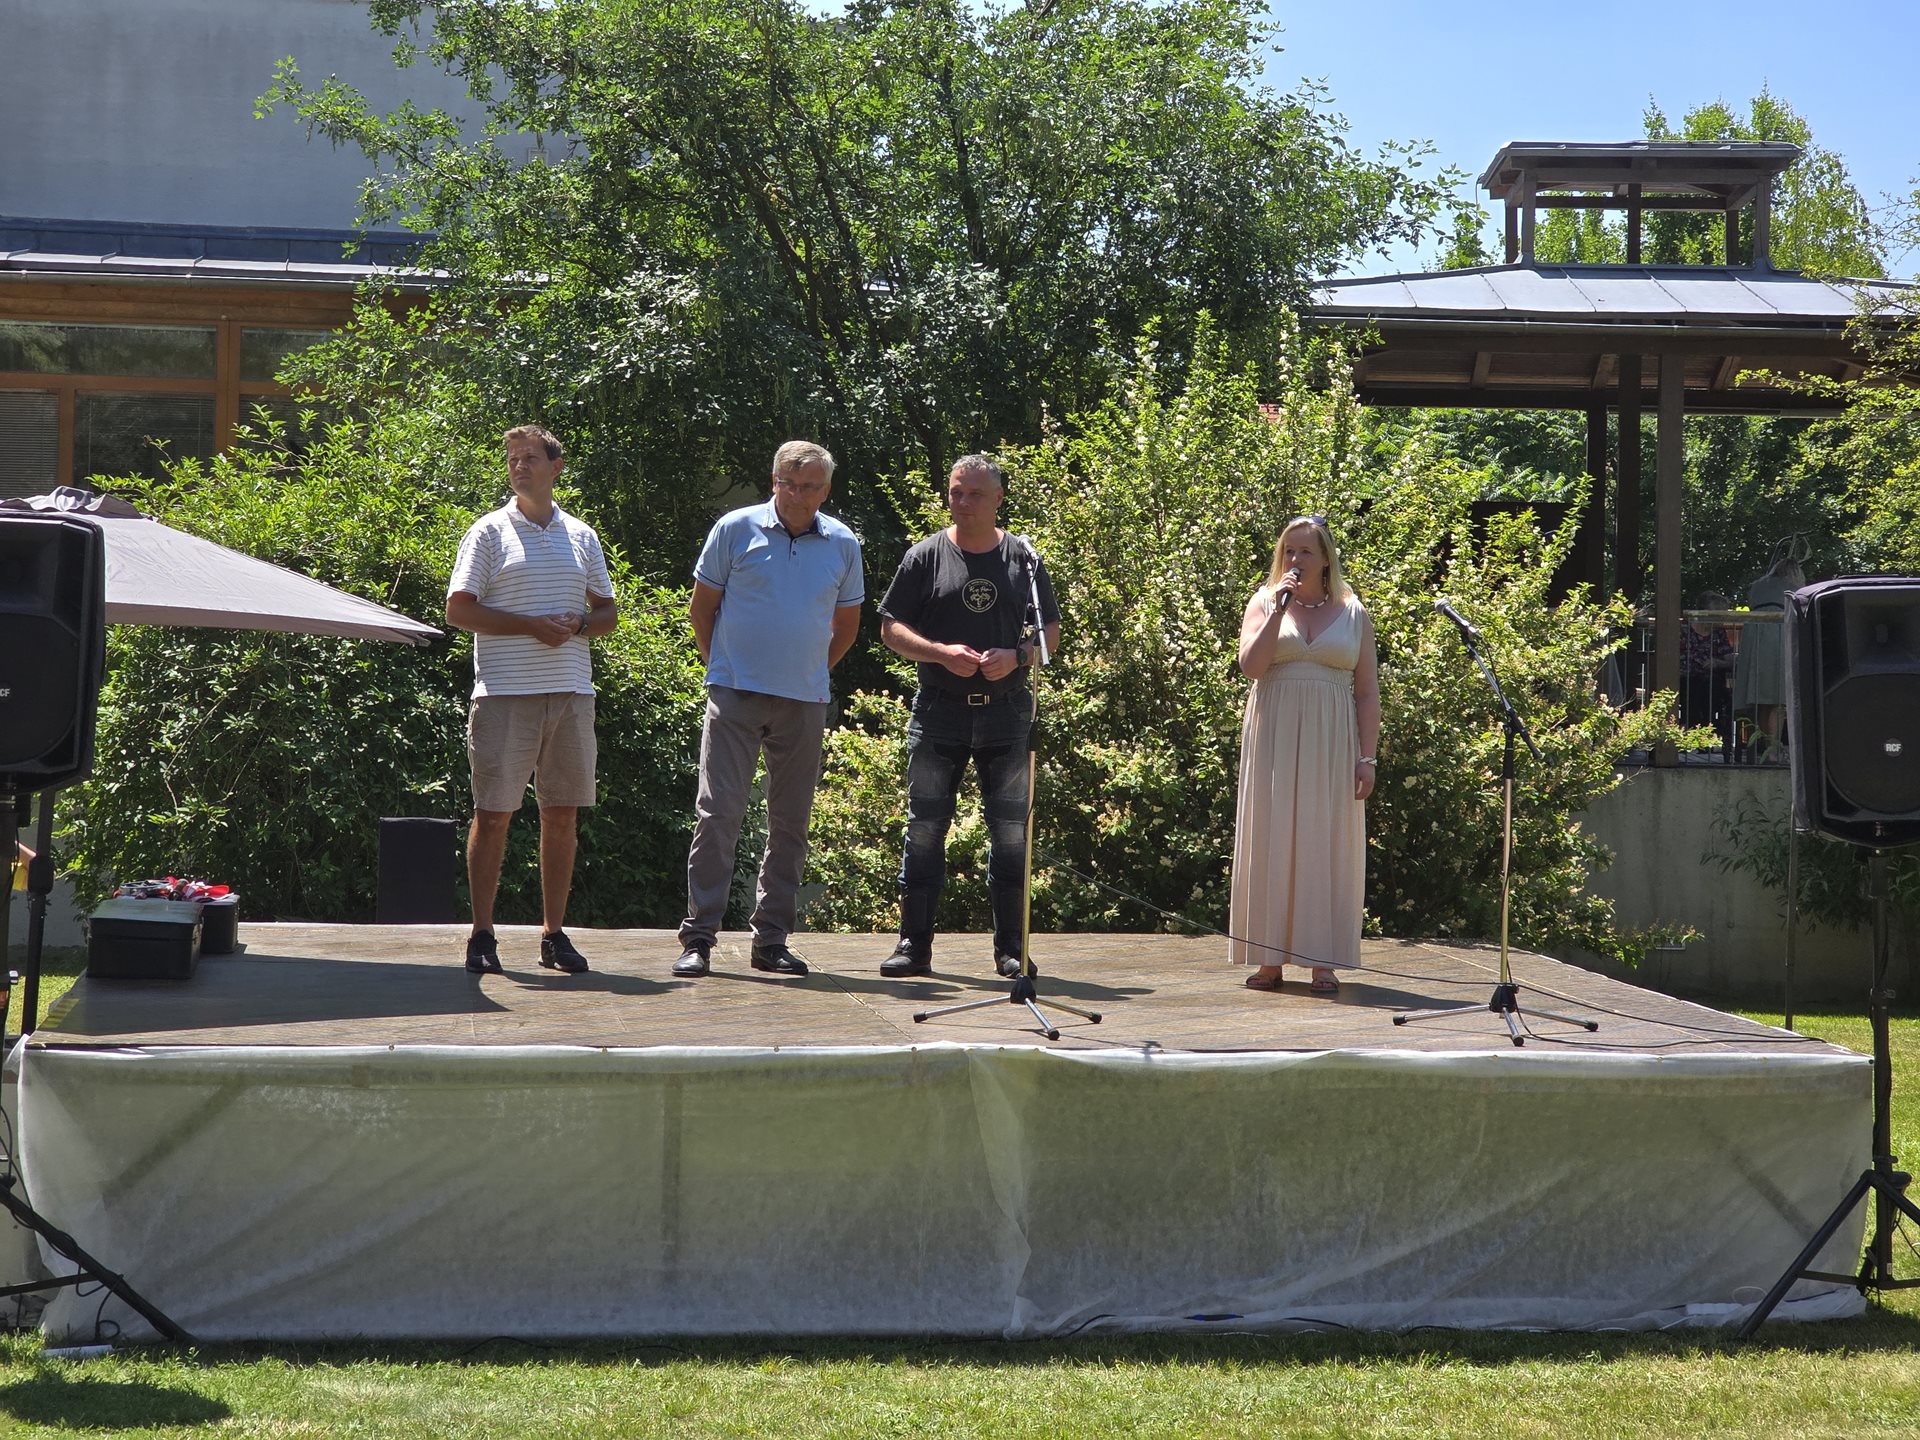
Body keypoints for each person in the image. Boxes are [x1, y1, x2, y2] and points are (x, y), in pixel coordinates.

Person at [673, 440, 864, 979]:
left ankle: (771, 940)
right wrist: (723, 667)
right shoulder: (735, 528)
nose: (797, 495)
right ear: (773, 481)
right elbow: (701, 609)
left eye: (808, 487)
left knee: (790, 823)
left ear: (826, 490)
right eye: (788, 483)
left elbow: (847, 626)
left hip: (804, 700)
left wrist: (810, 671)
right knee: (718, 815)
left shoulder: (843, 543)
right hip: (734, 694)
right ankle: (699, 937)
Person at [875, 455, 1063, 979]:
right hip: (939, 711)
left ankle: (1012, 949)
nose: (963, 502)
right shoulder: (924, 556)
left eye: (975, 494)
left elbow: (1050, 635)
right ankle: (914, 946)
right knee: (924, 829)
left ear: (999, 498)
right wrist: (939, 653)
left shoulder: (1024, 558)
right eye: (956, 492)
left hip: (1008, 712)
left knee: (1011, 833)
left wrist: (1018, 657)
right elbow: (890, 630)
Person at [446, 424, 618, 976]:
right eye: (513, 459)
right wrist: (531, 626)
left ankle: (554, 935)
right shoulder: (488, 532)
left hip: (571, 694)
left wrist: (581, 624)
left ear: (555, 466)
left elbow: (608, 614)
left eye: (530, 457)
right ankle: (482, 935)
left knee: (562, 815)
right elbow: (458, 610)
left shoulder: (581, 535)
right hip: (504, 695)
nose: (519, 466)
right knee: (494, 815)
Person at [1229, 515, 1379, 995]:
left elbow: (1367, 692)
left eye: (1306, 551)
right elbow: (1251, 667)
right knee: (1272, 835)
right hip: (1274, 735)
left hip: (1332, 741)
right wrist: (1278, 610)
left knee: (1325, 840)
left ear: (1326, 558)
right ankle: (1269, 959)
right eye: (1289, 551)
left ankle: (1323, 962)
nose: (1295, 559)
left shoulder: (1353, 612)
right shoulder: (1263, 601)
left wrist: (1368, 757)